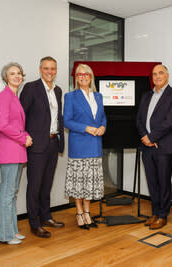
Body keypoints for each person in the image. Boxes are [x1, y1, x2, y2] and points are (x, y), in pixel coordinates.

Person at [20, 56, 65, 238]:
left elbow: (57, 117)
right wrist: (26, 138)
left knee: (47, 184)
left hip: (53, 142)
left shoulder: (58, 90)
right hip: (37, 145)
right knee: (35, 185)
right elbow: (22, 116)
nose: (50, 72)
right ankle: (34, 223)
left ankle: (46, 216)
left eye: (53, 68)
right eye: (46, 68)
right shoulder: (31, 88)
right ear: (40, 69)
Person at [136, 65, 172, 230]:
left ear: (167, 75)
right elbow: (139, 119)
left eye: (161, 73)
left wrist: (152, 137)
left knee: (163, 182)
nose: (157, 76)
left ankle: (163, 215)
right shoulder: (146, 95)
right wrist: (145, 137)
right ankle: (155, 213)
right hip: (147, 146)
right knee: (152, 182)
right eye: (154, 74)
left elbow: (170, 121)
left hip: (163, 146)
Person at [63, 64, 106, 230]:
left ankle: (87, 212)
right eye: (79, 74)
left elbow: (103, 118)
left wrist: (103, 127)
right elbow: (66, 121)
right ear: (76, 78)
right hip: (79, 145)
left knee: (89, 182)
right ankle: (79, 212)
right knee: (79, 182)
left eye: (86, 73)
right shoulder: (71, 96)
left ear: (91, 76)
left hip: (95, 144)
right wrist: (86, 128)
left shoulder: (99, 96)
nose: (83, 76)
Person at [0, 63, 32, 245]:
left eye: (19, 73)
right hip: (9, 150)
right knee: (8, 193)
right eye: (12, 73)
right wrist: (23, 138)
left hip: (16, 150)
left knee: (12, 193)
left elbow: (16, 125)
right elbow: (3, 125)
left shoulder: (14, 97)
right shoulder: (4, 97)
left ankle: (12, 230)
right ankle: (4, 234)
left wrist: (25, 135)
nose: (17, 76)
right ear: (5, 77)